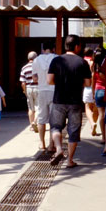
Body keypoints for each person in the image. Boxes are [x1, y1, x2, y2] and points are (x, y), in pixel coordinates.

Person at [47, 35, 92, 168]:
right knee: (73, 131)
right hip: (75, 102)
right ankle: (70, 160)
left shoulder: (56, 60)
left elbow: (49, 80)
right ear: (77, 46)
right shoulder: (82, 62)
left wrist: (60, 83)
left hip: (59, 100)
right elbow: (88, 83)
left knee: (55, 127)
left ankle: (59, 148)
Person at [31, 41, 56, 151]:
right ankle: (52, 145)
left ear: (42, 50)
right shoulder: (56, 58)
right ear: (53, 49)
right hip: (54, 91)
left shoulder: (36, 60)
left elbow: (34, 78)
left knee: (41, 118)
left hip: (41, 90)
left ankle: (42, 143)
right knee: (53, 119)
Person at [92, 49, 106, 152]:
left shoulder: (95, 71)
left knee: (101, 114)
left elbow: (93, 84)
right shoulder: (105, 69)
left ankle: (103, 137)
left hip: (98, 91)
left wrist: (93, 94)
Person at [19, 51, 38, 133]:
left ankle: (31, 126)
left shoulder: (24, 68)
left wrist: (24, 91)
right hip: (38, 87)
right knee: (38, 107)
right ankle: (35, 122)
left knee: (30, 108)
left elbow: (23, 82)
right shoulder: (38, 66)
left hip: (29, 88)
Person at [82, 48, 98, 137]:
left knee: (87, 107)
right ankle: (93, 124)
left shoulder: (82, 61)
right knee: (95, 108)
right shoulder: (93, 62)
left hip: (87, 87)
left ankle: (92, 123)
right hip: (95, 86)